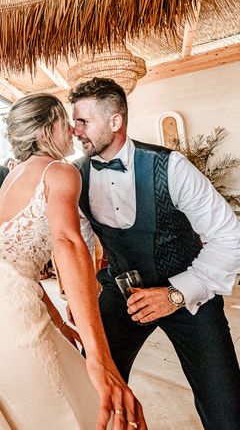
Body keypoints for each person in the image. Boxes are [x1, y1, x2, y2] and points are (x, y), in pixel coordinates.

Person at [0, 94, 146, 429]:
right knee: (80, 408)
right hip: (6, 312)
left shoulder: (16, 174)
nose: (71, 129)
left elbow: (9, 260)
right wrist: (100, 358)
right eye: (63, 122)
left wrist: (60, 323)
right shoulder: (60, 171)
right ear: (44, 132)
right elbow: (67, 243)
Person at [70, 77, 240, 430]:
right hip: (121, 297)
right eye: (75, 121)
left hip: (190, 293)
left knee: (227, 409)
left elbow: (230, 237)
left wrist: (177, 294)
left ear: (115, 122)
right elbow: (80, 243)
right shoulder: (76, 176)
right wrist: (80, 294)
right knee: (90, 393)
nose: (75, 130)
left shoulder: (172, 168)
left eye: (83, 121)